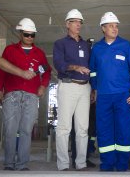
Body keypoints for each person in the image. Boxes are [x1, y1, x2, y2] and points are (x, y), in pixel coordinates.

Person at [0, 18, 51, 171]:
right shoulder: (9, 50)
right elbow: (1, 70)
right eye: (26, 35)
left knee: (26, 130)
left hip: (31, 96)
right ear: (20, 34)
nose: (29, 38)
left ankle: (22, 164)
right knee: (10, 130)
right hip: (12, 95)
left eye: (32, 35)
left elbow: (47, 71)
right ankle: (8, 163)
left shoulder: (39, 53)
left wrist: (43, 86)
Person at [89, 12, 130, 171]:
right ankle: (107, 164)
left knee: (124, 129)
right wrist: (95, 88)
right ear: (103, 28)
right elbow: (93, 71)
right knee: (104, 130)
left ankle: (122, 164)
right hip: (103, 96)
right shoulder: (97, 48)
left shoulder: (125, 45)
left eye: (116, 26)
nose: (114, 28)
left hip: (123, 96)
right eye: (111, 26)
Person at [53, 9, 91, 171]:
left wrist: (93, 88)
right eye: (74, 21)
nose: (78, 24)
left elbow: (92, 67)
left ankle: (81, 163)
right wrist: (76, 67)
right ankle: (63, 164)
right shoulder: (60, 44)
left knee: (82, 128)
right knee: (64, 128)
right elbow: (59, 65)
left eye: (80, 22)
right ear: (67, 24)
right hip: (67, 86)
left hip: (85, 88)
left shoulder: (86, 45)